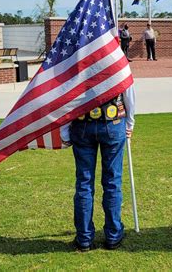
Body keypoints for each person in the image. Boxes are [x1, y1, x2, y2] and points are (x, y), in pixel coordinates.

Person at [70, 84, 135, 252]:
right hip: (113, 122)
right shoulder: (115, 57)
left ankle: (84, 238)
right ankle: (113, 235)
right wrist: (130, 122)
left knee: (84, 182)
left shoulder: (75, 57)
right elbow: (128, 88)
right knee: (113, 181)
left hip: (82, 124)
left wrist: (64, 130)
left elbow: (67, 91)